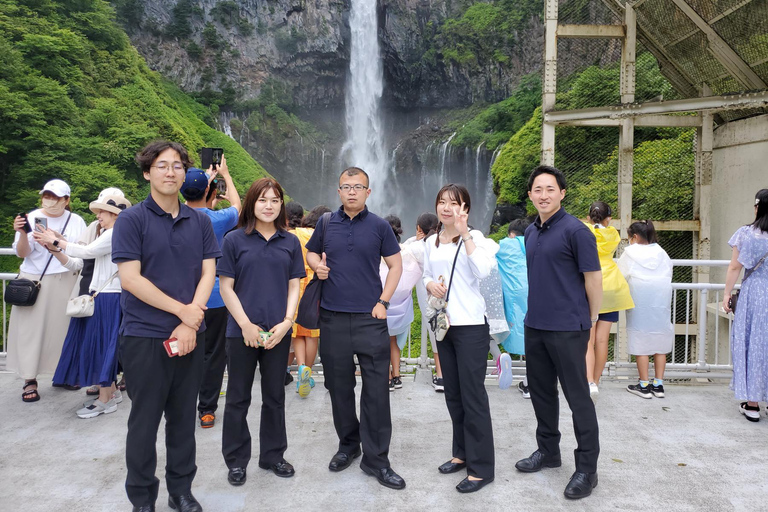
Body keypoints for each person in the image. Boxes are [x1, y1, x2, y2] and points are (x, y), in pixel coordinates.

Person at [112, 141, 220, 512]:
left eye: (177, 165)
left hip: (192, 334)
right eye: (162, 165)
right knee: (144, 422)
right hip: (145, 334)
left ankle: (181, 491)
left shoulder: (200, 221)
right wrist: (184, 313)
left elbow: (209, 271)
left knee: (182, 418)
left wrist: (193, 318)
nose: (170, 172)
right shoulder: (131, 220)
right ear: (147, 172)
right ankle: (142, 498)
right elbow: (131, 279)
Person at [305, 167, 405, 490]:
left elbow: (396, 265)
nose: (351, 192)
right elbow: (310, 253)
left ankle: (377, 460)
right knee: (339, 387)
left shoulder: (379, 227)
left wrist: (384, 302)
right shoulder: (325, 223)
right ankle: (348, 445)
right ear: (338, 191)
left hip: (370, 319)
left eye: (358, 187)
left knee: (376, 391)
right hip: (332, 319)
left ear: (368, 192)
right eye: (346, 187)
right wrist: (316, 265)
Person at [514, 165, 602, 500]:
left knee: (578, 398)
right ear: (530, 195)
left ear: (562, 193)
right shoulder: (530, 232)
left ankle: (587, 470)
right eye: (538, 189)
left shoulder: (576, 231)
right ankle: (548, 451)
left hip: (568, 327)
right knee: (541, 393)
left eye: (550, 189)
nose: (544, 195)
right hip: (535, 324)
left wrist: (590, 318)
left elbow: (593, 279)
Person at [218, 178, 305, 485]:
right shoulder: (234, 240)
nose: (269, 206)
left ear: (281, 205)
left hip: (277, 332)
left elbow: (295, 284)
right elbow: (225, 287)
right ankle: (237, 461)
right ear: (252, 203)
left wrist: (287, 321)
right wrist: (245, 324)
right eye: (262, 200)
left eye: (275, 200)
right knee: (238, 397)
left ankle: (273, 456)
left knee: (274, 397)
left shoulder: (290, 241)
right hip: (241, 331)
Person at [423, 184, 498, 493]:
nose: (446, 208)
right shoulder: (430, 242)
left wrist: (465, 232)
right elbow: (427, 272)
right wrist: (430, 285)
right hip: (444, 325)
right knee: (453, 393)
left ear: (465, 207)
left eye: (454, 203)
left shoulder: (478, 240)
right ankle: (461, 453)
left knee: (473, 396)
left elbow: (482, 271)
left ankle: (482, 468)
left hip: (470, 327)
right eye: (442, 202)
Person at [38, 194, 132, 417]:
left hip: (109, 297)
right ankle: (108, 393)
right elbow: (78, 261)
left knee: (104, 347)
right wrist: (55, 247)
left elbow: (86, 252)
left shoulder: (115, 233)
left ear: (115, 214)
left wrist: (56, 241)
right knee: (104, 346)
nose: (98, 216)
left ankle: (105, 400)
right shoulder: (108, 234)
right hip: (103, 296)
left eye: (102, 212)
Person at [8, 179, 87, 403]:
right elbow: (22, 253)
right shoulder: (32, 217)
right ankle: (29, 379)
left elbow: (81, 253)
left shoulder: (76, 220)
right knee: (30, 332)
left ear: (66, 200)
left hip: (65, 279)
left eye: (55, 197)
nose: (50, 200)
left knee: (63, 331)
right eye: (47, 195)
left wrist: (58, 242)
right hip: (34, 281)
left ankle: (63, 374)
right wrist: (23, 233)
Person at [180, 158, 242, 429]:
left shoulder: (176, 216)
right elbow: (239, 208)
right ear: (211, 192)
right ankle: (207, 410)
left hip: (180, 297)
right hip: (215, 297)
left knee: (183, 350)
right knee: (215, 354)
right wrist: (225, 175)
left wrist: (204, 185)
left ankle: (180, 405)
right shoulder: (216, 220)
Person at [722, 189, 768, 422]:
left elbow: (734, 267)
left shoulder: (745, 234)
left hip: (753, 294)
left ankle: (752, 404)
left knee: (752, 342)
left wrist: (727, 294)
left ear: (757, 207)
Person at [583, 201, 634, 398]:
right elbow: (603, 227)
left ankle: (588, 383)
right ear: (609, 219)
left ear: (588, 218)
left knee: (588, 340)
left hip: (590, 286)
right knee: (602, 340)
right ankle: (596, 381)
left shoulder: (584, 232)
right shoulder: (612, 233)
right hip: (612, 286)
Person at [617, 220, 673, 399]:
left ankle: (643, 385)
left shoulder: (630, 253)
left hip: (639, 297)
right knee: (660, 338)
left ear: (634, 236)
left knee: (641, 338)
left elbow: (620, 274)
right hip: (661, 299)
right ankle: (659, 385)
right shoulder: (662, 252)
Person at [289, 204, 331, 397]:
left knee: (297, 331)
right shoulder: (325, 237)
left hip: (296, 286)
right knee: (312, 332)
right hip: (316, 287)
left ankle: (301, 368)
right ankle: (309, 372)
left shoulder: (295, 234)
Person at [402, 213, 442, 391]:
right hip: (447, 294)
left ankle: (441, 376)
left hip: (428, 297)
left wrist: (414, 239)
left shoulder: (419, 246)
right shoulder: (443, 242)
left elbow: (400, 251)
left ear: (419, 229)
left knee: (436, 333)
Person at [381, 214, 420, 392]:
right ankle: (396, 376)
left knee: (380, 342)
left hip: (382, 303)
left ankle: (387, 377)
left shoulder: (379, 252)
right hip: (401, 306)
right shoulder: (406, 251)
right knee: (393, 341)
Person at [497, 219, 530, 398]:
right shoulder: (533, 243)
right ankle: (530, 383)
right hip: (535, 291)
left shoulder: (504, 245)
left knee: (502, 328)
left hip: (511, 295)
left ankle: (499, 360)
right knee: (533, 335)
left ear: (511, 233)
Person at [285, 200, 305, 387]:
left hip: (287, 292)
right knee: (308, 334)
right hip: (307, 290)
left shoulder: (285, 237)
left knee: (290, 332)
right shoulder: (308, 235)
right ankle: (304, 368)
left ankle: (284, 370)